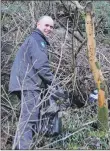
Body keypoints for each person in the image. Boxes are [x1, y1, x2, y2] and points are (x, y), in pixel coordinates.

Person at [9, 16, 65, 149]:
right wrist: (55, 84)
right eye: (46, 25)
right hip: (28, 84)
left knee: (27, 119)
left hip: (25, 83)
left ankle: (18, 147)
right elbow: (41, 66)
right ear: (38, 24)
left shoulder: (34, 39)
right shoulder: (37, 40)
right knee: (30, 119)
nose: (49, 29)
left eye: (51, 27)